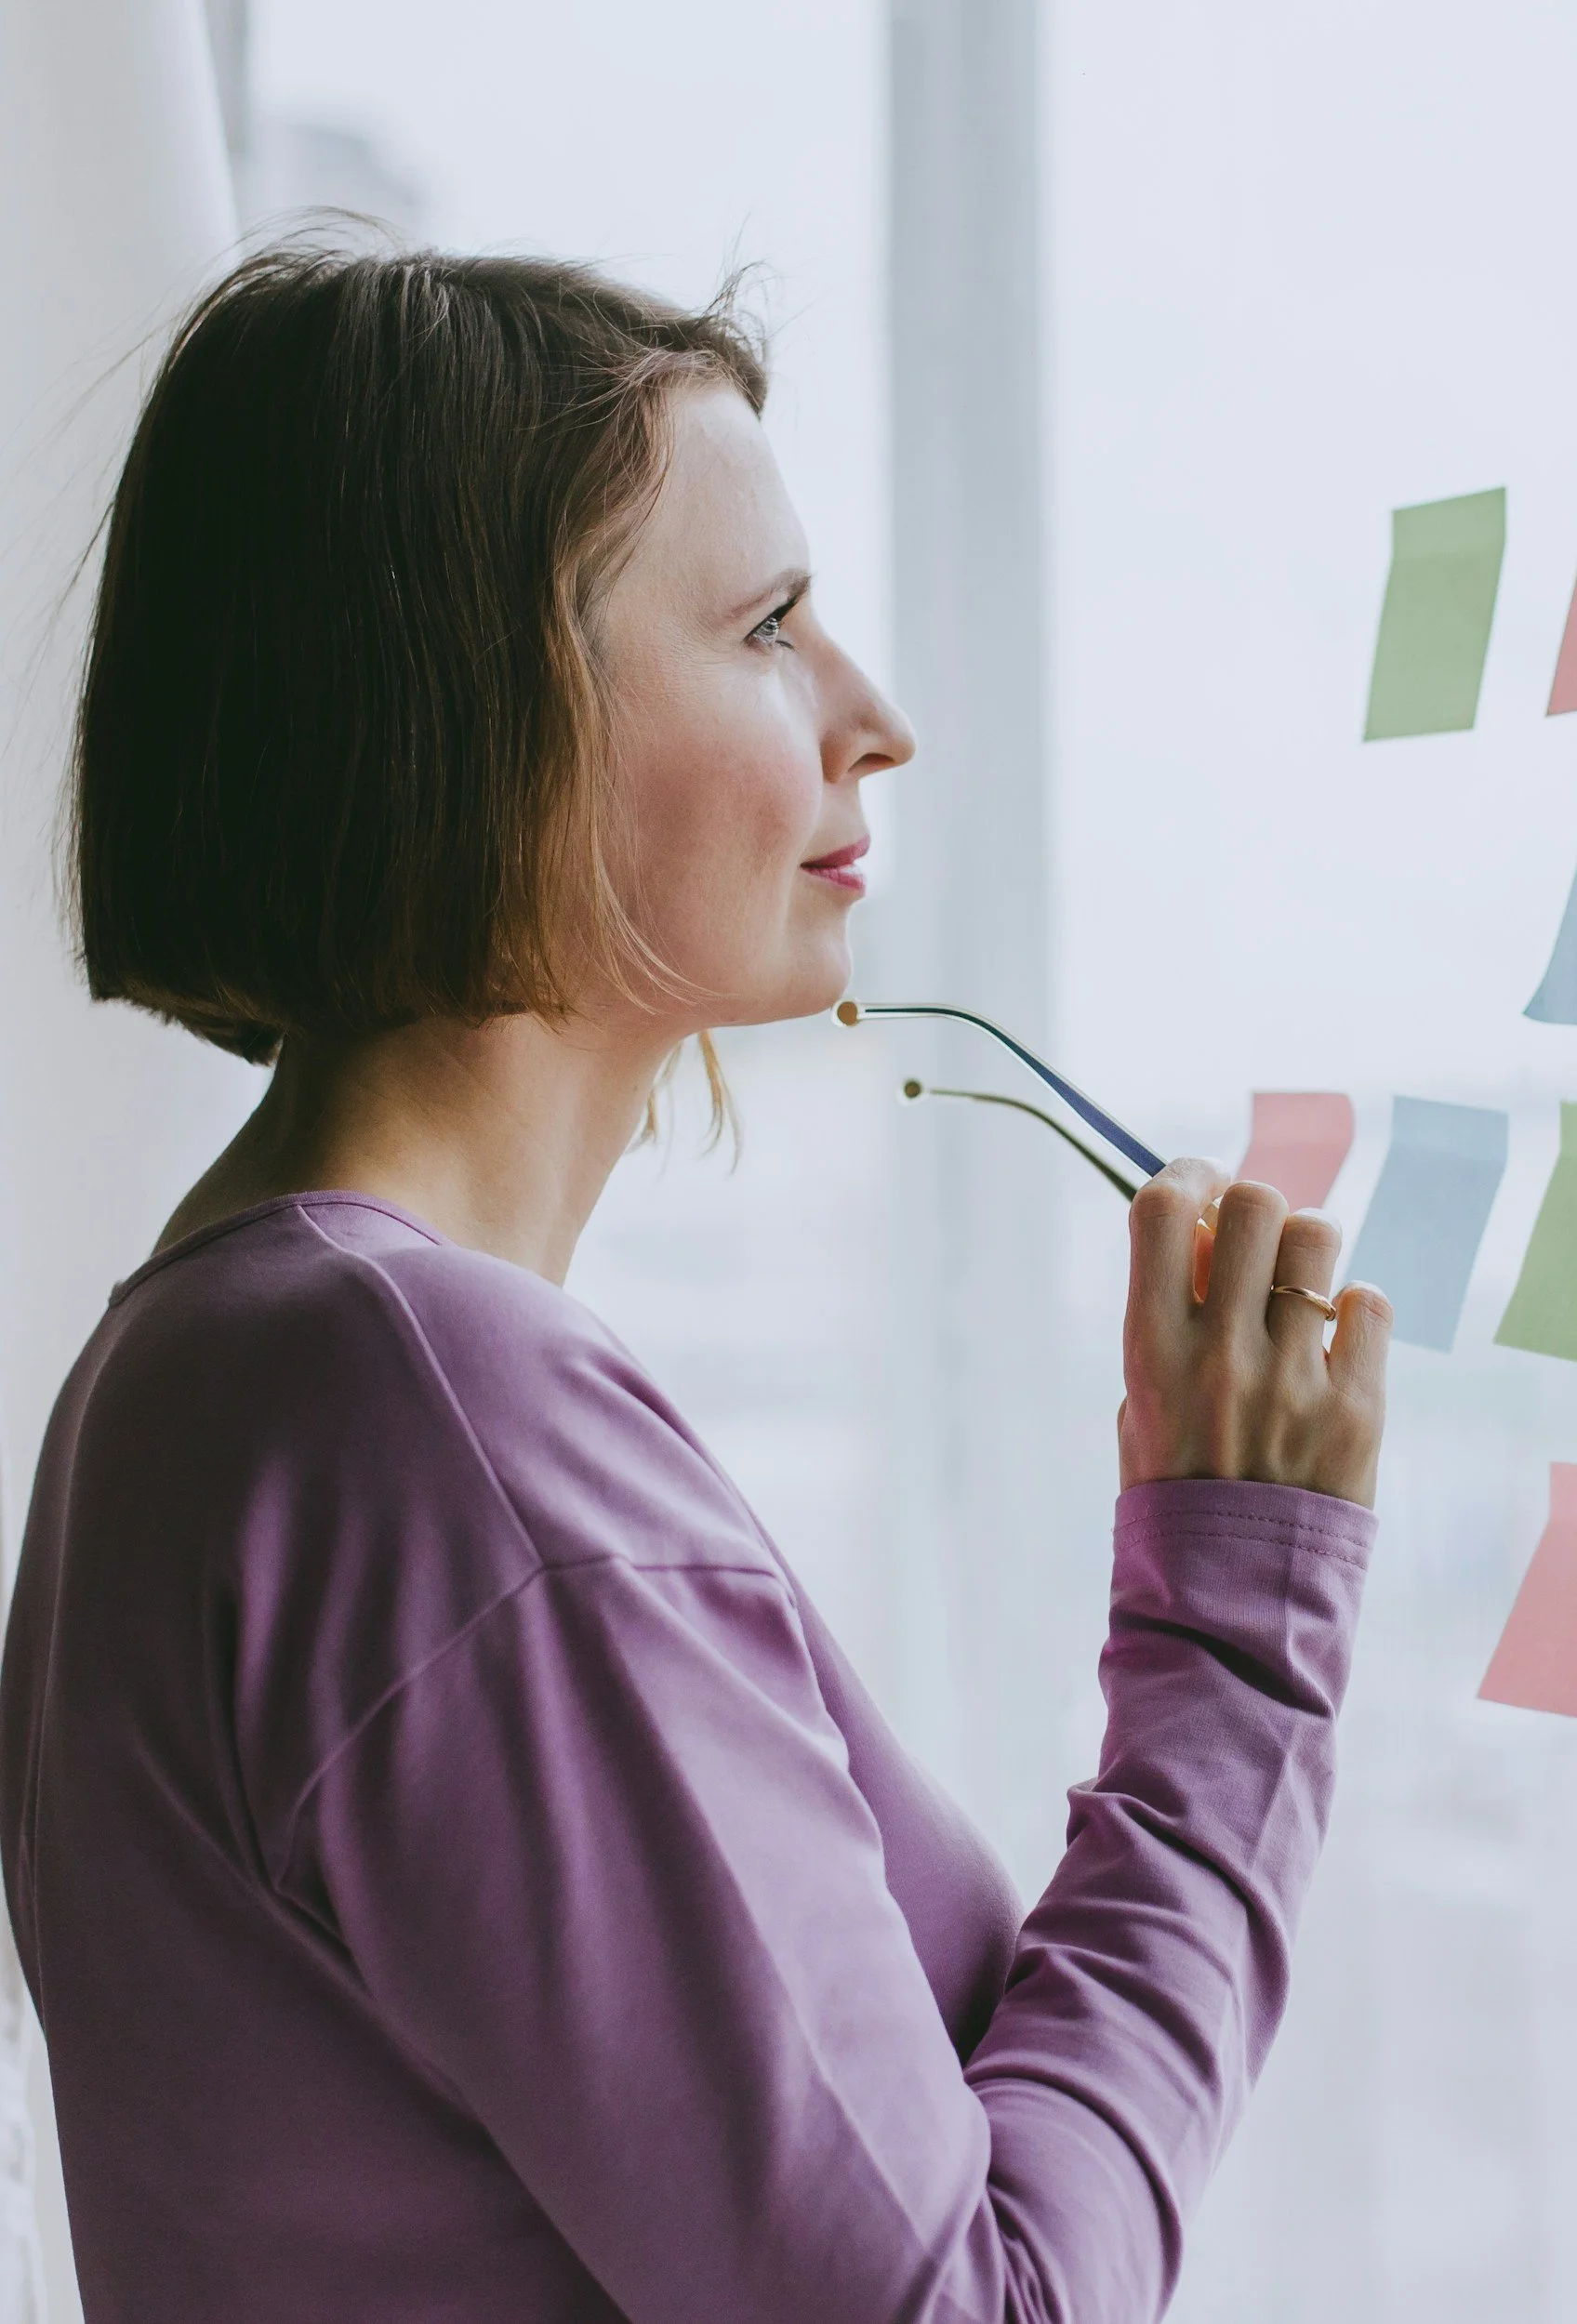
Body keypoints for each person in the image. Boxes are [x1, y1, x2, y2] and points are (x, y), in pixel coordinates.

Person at [0, 244, 1390, 2321]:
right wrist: (1241, 1651)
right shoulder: (425, 1421)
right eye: (763, 626)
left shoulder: (209, 1366)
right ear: (479, 713)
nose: (875, 719)